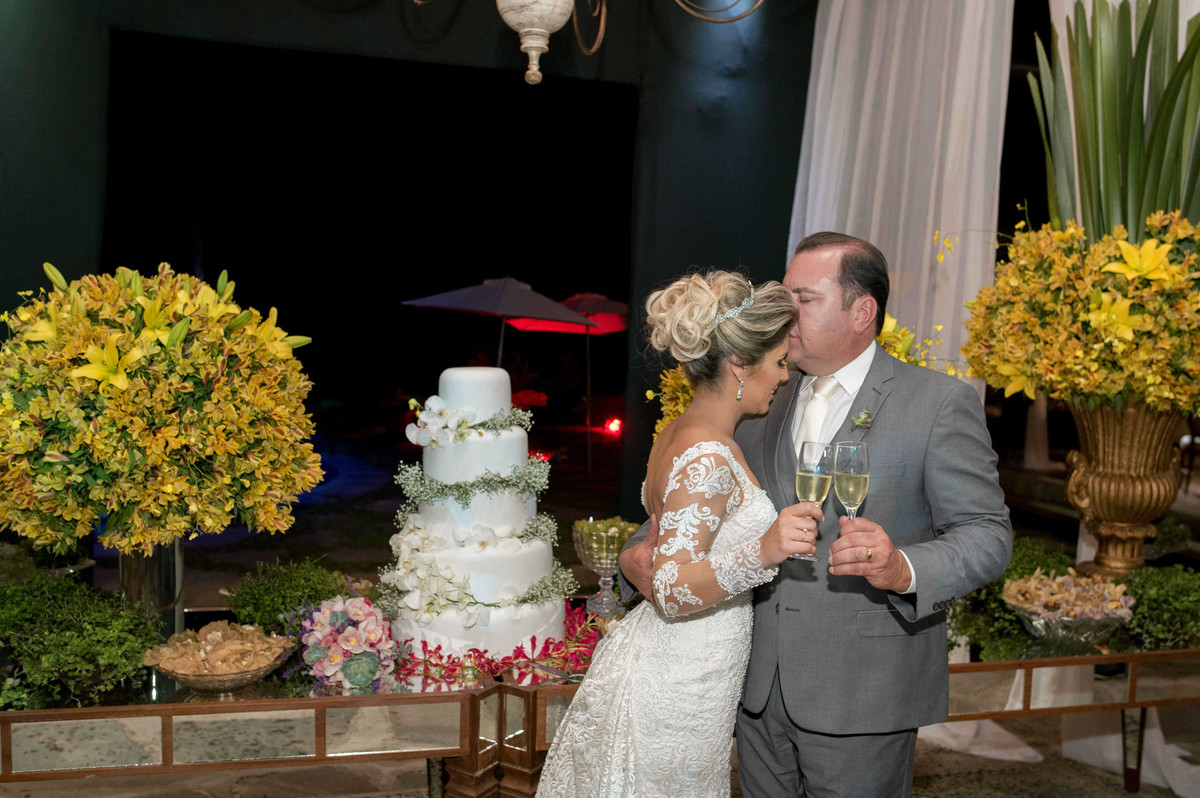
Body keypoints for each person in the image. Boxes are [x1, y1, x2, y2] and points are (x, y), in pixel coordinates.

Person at [620, 232, 1013, 797]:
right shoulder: (758, 392)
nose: (785, 313)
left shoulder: (937, 404)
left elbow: (988, 535)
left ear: (861, 312)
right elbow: (693, 493)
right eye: (783, 296)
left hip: (864, 695)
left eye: (803, 299)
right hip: (752, 690)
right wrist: (635, 558)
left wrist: (902, 568)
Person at [536, 270, 820, 797]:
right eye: (779, 362)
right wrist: (764, 550)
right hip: (680, 678)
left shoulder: (681, 432)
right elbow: (669, 588)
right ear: (740, 363)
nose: (784, 377)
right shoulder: (707, 453)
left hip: (691, 667)